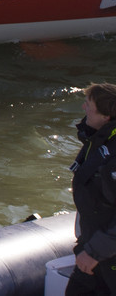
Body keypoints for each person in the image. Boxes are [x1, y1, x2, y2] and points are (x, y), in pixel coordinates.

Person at [65, 82, 116, 295]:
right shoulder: (96, 141)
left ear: (106, 116)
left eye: (88, 105)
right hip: (94, 248)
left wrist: (94, 252)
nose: (83, 108)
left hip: (105, 254)